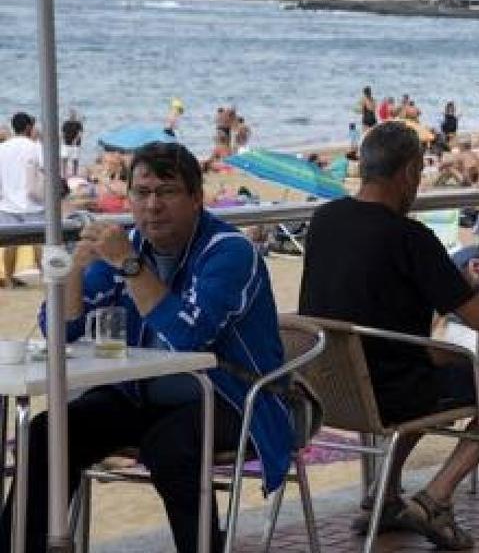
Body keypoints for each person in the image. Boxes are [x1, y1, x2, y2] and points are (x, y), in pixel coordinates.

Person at [0, 142, 290, 553]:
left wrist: (130, 267)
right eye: (141, 192)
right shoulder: (128, 244)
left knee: (169, 447)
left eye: (167, 192)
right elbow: (59, 333)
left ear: (195, 199)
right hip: (139, 396)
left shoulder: (230, 252)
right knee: (49, 432)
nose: (152, 205)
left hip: (235, 397)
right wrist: (76, 274)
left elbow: (189, 335)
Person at [299, 122, 479, 547]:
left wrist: (451, 282)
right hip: (391, 390)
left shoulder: (325, 220)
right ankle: (435, 498)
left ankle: (383, 495)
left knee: (454, 362)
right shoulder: (410, 236)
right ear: (407, 173)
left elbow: (378, 285)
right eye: (418, 177)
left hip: (327, 387)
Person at [0, 112, 44, 287]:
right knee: (39, 241)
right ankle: (45, 277)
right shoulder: (35, 147)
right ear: (28, 128)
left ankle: (9, 278)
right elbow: (44, 170)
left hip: (8, 202)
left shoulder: (3, 148)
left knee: (11, 242)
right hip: (33, 202)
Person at [61, 109, 83, 178]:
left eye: (73, 114)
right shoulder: (65, 123)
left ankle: (75, 173)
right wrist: (61, 140)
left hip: (76, 145)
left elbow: (80, 133)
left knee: (75, 159)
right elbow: (62, 133)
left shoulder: (78, 124)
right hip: (66, 143)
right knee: (64, 158)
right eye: (71, 114)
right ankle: (64, 173)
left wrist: (75, 140)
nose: (72, 116)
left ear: (75, 115)